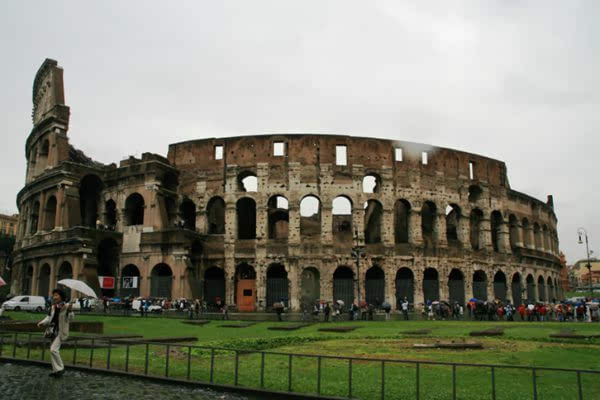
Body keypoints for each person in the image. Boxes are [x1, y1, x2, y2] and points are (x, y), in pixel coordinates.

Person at [37, 289, 74, 377]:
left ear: (61, 296)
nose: (54, 297)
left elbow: (71, 319)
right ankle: (55, 370)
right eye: (54, 295)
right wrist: (42, 322)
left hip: (61, 331)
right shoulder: (53, 306)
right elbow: (48, 317)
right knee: (52, 350)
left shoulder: (67, 306)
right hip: (52, 331)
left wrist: (70, 310)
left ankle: (60, 368)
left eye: (56, 295)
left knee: (53, 349)